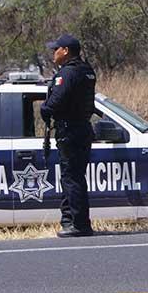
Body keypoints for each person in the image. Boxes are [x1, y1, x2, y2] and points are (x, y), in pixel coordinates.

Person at [41, 34, 97, 237]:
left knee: (71, 178)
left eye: (55, 49)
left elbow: (56, 102)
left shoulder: (68, 73)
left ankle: (79, 224)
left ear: (65, 51)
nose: (53, 53)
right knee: (74, 177)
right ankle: (69, 221)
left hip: (70, 131)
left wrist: (44, 109)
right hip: (82, 129)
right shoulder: (86, 70)